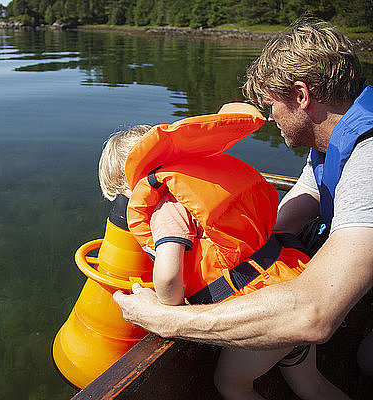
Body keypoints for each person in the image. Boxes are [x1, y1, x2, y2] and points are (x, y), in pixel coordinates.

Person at [113, 17, 373, 397]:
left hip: (317, 310)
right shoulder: (327, 149)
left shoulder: (367, 160)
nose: (268, 118)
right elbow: (293, 209)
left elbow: (314, 314)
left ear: (301, 96)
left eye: (271, 104)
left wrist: (167, 318)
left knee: (367, 364)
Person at [99, 103, 347, 399]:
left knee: (231, 385)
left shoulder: (164, 207)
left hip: (261, 311)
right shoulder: (198, 179)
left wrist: (162, 305)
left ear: (128, 187)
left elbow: (168, 277)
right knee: (311, 385)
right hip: (288, 283)